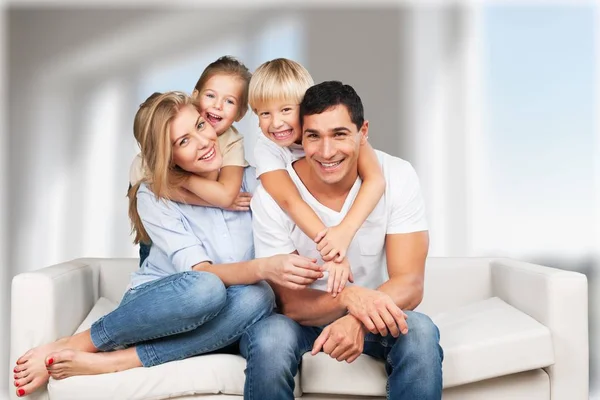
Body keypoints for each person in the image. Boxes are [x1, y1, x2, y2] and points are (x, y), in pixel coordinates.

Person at [12, 92, 323, 398]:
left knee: (258, 296)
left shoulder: (256, 181)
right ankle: (77, 343)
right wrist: (263, 267)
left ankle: (121, 361)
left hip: (231, 315)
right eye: (183, 142)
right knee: (206, 287)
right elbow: (204, 273)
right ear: (168, 156)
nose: (203, 142)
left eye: (200, 126)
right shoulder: (154, 196)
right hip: (164, 306)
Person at [240, 81, 444, 400]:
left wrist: (358, 320)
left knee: (419, 331)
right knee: (269, 337)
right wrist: (348, 298)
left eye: (339, 134)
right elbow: (291, 304)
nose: (326, 152)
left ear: (363, 132)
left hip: (375, 314)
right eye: (313, 136)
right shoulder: (272, 197)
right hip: (304, 320)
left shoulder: (397, 176)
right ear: (299, 135)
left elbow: (410, 282)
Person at [249, 58, 386, 295]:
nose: (276, 123)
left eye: (285, 110)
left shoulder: (335, 128)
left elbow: (376, 180)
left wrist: (345, 231)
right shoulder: (267, 148)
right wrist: (332, 251)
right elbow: (289, 200)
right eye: (264, 113)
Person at [130, 56, 254, 265]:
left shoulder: (232, 142)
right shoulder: (154, 151)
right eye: (211, 95)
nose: (217, 106)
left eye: (229, 101)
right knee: (155, 254)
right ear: (195, 97)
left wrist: (181, 179)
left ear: (240, 113)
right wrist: (184, 181)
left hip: (202, 228)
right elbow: (153, 189)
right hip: (160, 224)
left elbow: (225, 196)